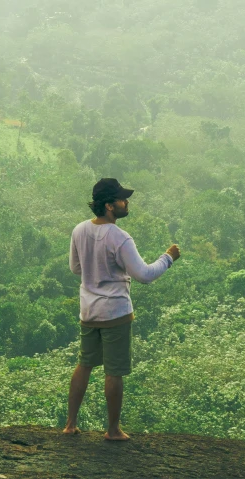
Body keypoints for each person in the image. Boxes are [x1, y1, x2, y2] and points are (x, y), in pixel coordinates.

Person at [62, 177, 180, 440]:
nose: (126, 202)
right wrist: (168, 258)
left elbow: (75, 268)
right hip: (115, 313)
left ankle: (70, 424)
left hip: (88, 312)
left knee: (84, 365)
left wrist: (96, 273)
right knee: (114, 371)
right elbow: (144, 275)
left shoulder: (79, 230)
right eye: (122, 199)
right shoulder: (120, 237)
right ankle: (112, 430)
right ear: (109, 206)